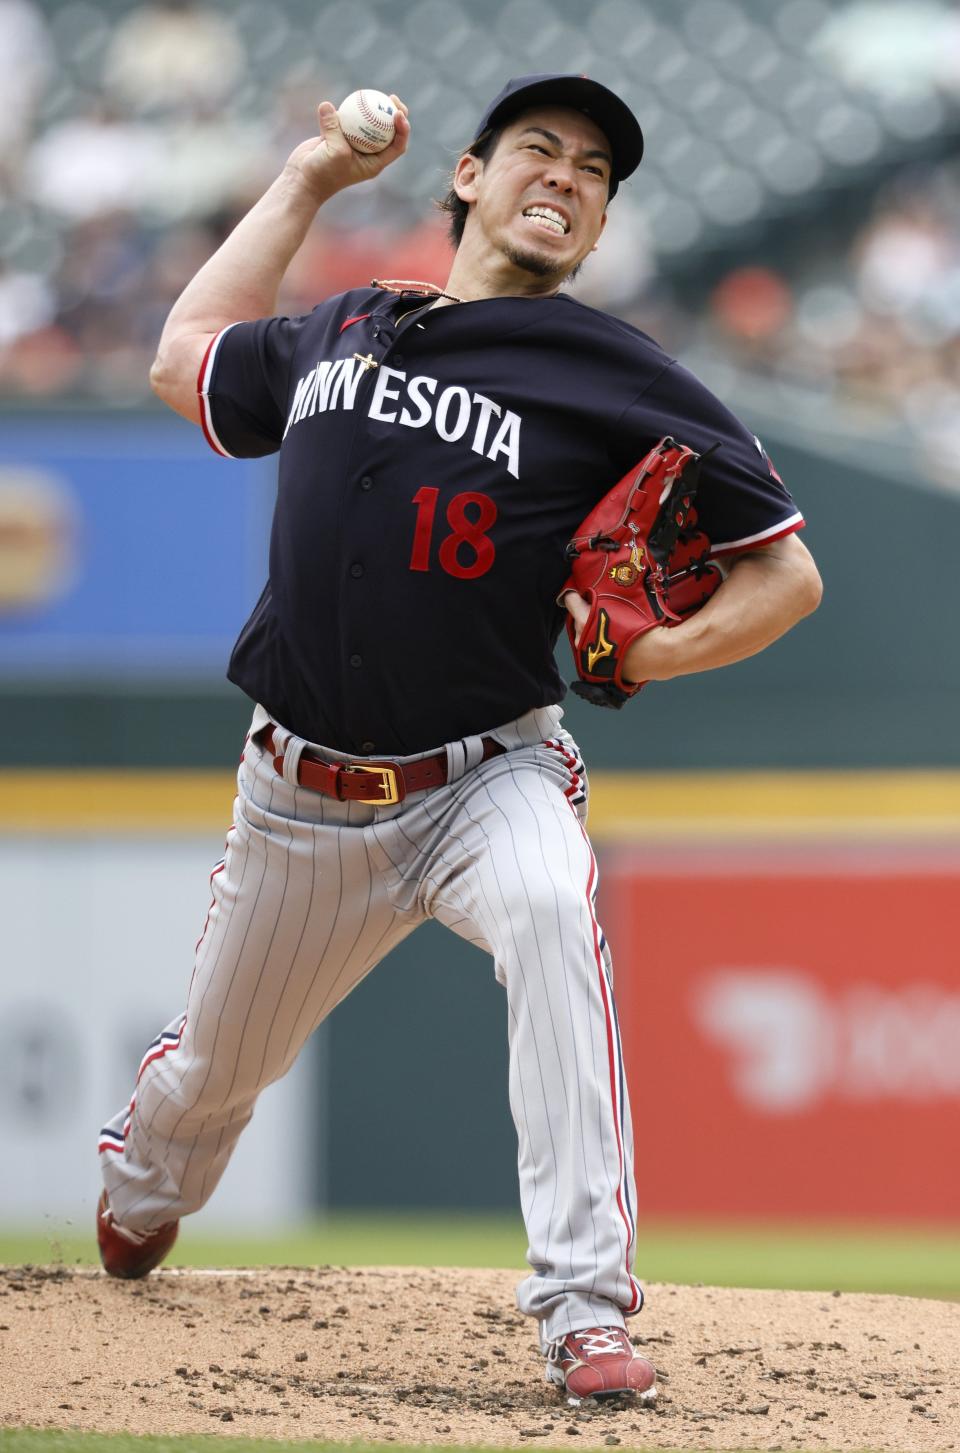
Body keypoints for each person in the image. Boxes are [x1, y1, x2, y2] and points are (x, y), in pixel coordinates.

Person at [96, 73, 822, 1403]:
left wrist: (655, 649)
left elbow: (786, 574)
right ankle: (145, 1175)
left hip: (487, 771)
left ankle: (586, 1308)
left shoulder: (618, 372)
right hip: (299, 803)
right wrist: (310, 181)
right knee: (207, 1088)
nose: (566, 175)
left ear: (598, 228)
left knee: (554, 912)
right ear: (471, 180)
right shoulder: (341, 329)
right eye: (537, 148)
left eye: (595, 172)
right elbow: (179, 354)